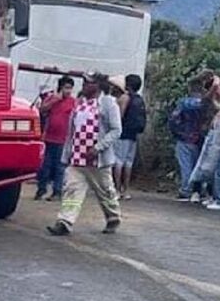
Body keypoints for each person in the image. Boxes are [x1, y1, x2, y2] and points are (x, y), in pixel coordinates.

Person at [47, 73, 122, 236]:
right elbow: (71, 131)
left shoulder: (108, 103)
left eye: (88, 83)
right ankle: (65, 221)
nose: (84, 85)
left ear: (97, 86)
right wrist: (67, 154)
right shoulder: (79, 103)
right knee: (71, 189)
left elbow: (116, 130)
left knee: (105, 191)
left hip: (97, 160)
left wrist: (98, 147)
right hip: (77, 157)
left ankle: (113, 216)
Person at [168, 72, 216, 201]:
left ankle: (186, 190)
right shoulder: (208, 103)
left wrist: (176, 132)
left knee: (186, 165)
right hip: (202, 137)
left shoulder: (184, 102)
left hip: (185, 136)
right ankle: (199, 190)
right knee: (199, 165)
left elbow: (173, 119)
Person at [35, 76, 76, 201]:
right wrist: (54, 100)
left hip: (63, 139)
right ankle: (41, 189)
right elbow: (41, 110)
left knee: (59, 167)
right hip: (49, 138)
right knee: (44, 166)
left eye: (70, 88)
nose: (68, 91)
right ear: (60, 88)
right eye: (66, 88)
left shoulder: (73, 101)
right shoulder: (52, 98)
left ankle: (57, 192)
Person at [112, 74, 146, 200]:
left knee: (118, 161)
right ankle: (125, 190)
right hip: (133, 134)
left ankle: (116, 189)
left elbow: (119, 116)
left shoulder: (125, 97)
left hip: (123, 134)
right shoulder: (139, 99)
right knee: (128, 163)